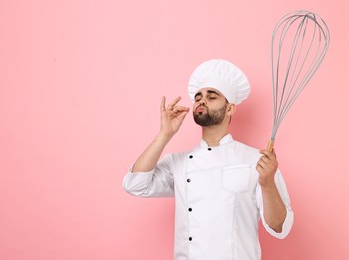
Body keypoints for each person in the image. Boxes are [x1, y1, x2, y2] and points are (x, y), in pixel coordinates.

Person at [122, 59, 294, 260]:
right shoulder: (180, 163)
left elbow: (280, 227)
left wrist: (267, 183)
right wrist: (165, 134)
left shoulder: (256, 161)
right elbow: (135, 184)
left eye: (212, 97)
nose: (202, 101)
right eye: (198, 97)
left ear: (230, 109)